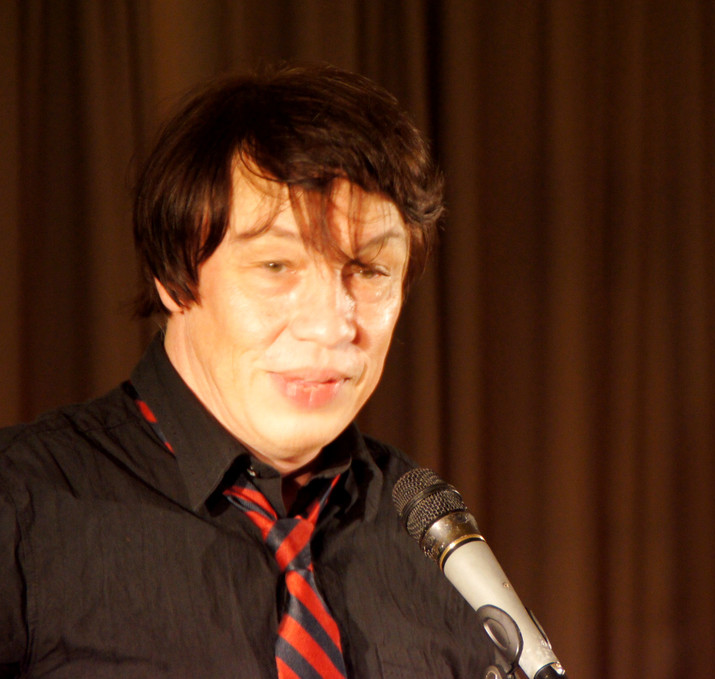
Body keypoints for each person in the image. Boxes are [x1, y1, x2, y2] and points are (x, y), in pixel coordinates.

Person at [0, 64, 495, 678]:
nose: (331, 325)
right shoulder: (22, 504)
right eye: (276, 266)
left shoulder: (432, 540)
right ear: (174, 275)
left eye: (369, 271)